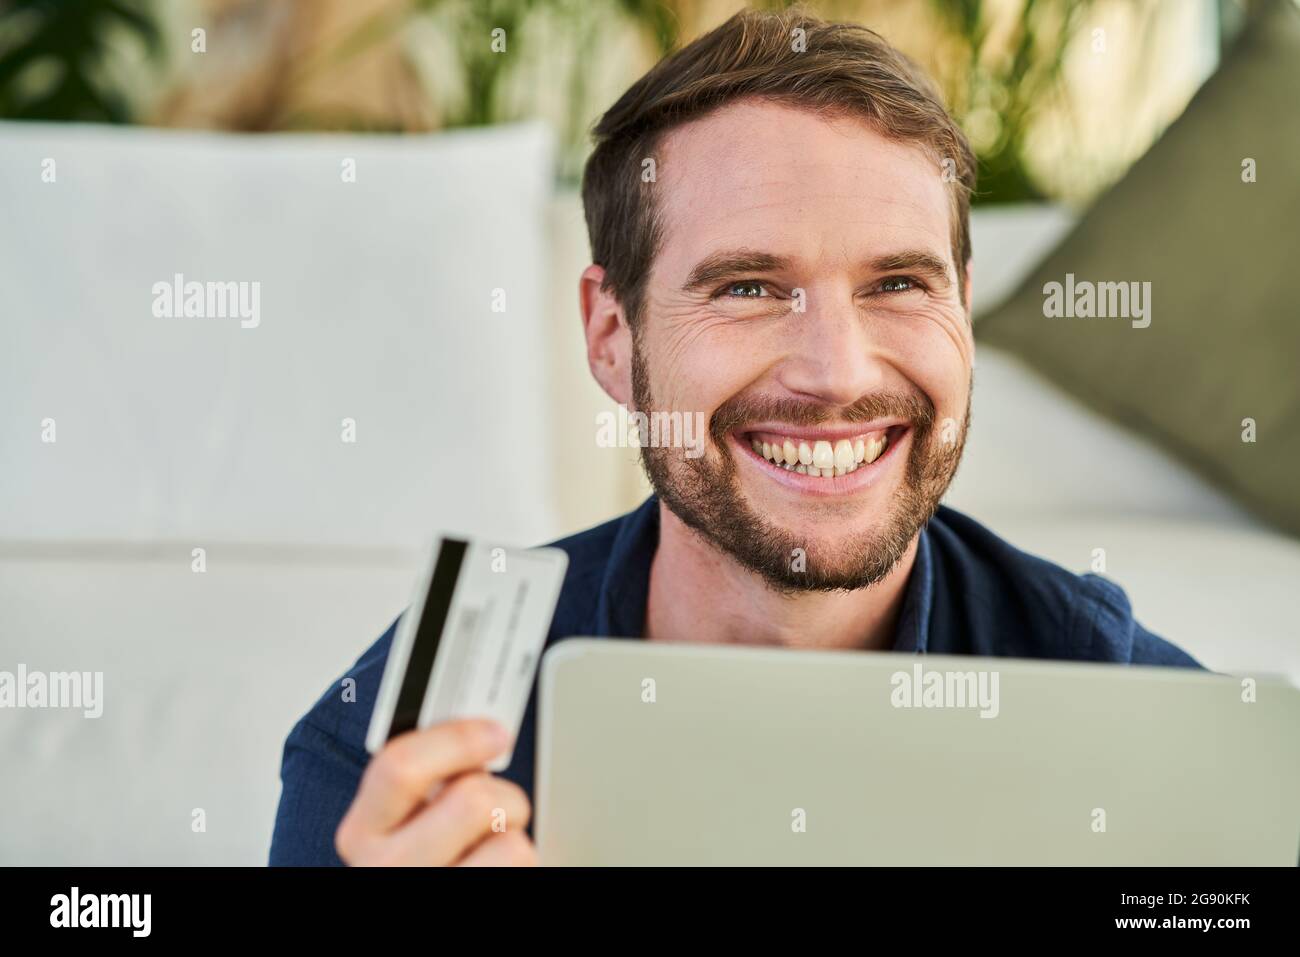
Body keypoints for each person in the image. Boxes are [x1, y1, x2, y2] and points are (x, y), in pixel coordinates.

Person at [270, 8, 1199, 867]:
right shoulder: (407, 764)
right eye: (747, 288)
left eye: (899, 284)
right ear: (610, 335)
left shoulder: (1117, 696)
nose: (837, 372)